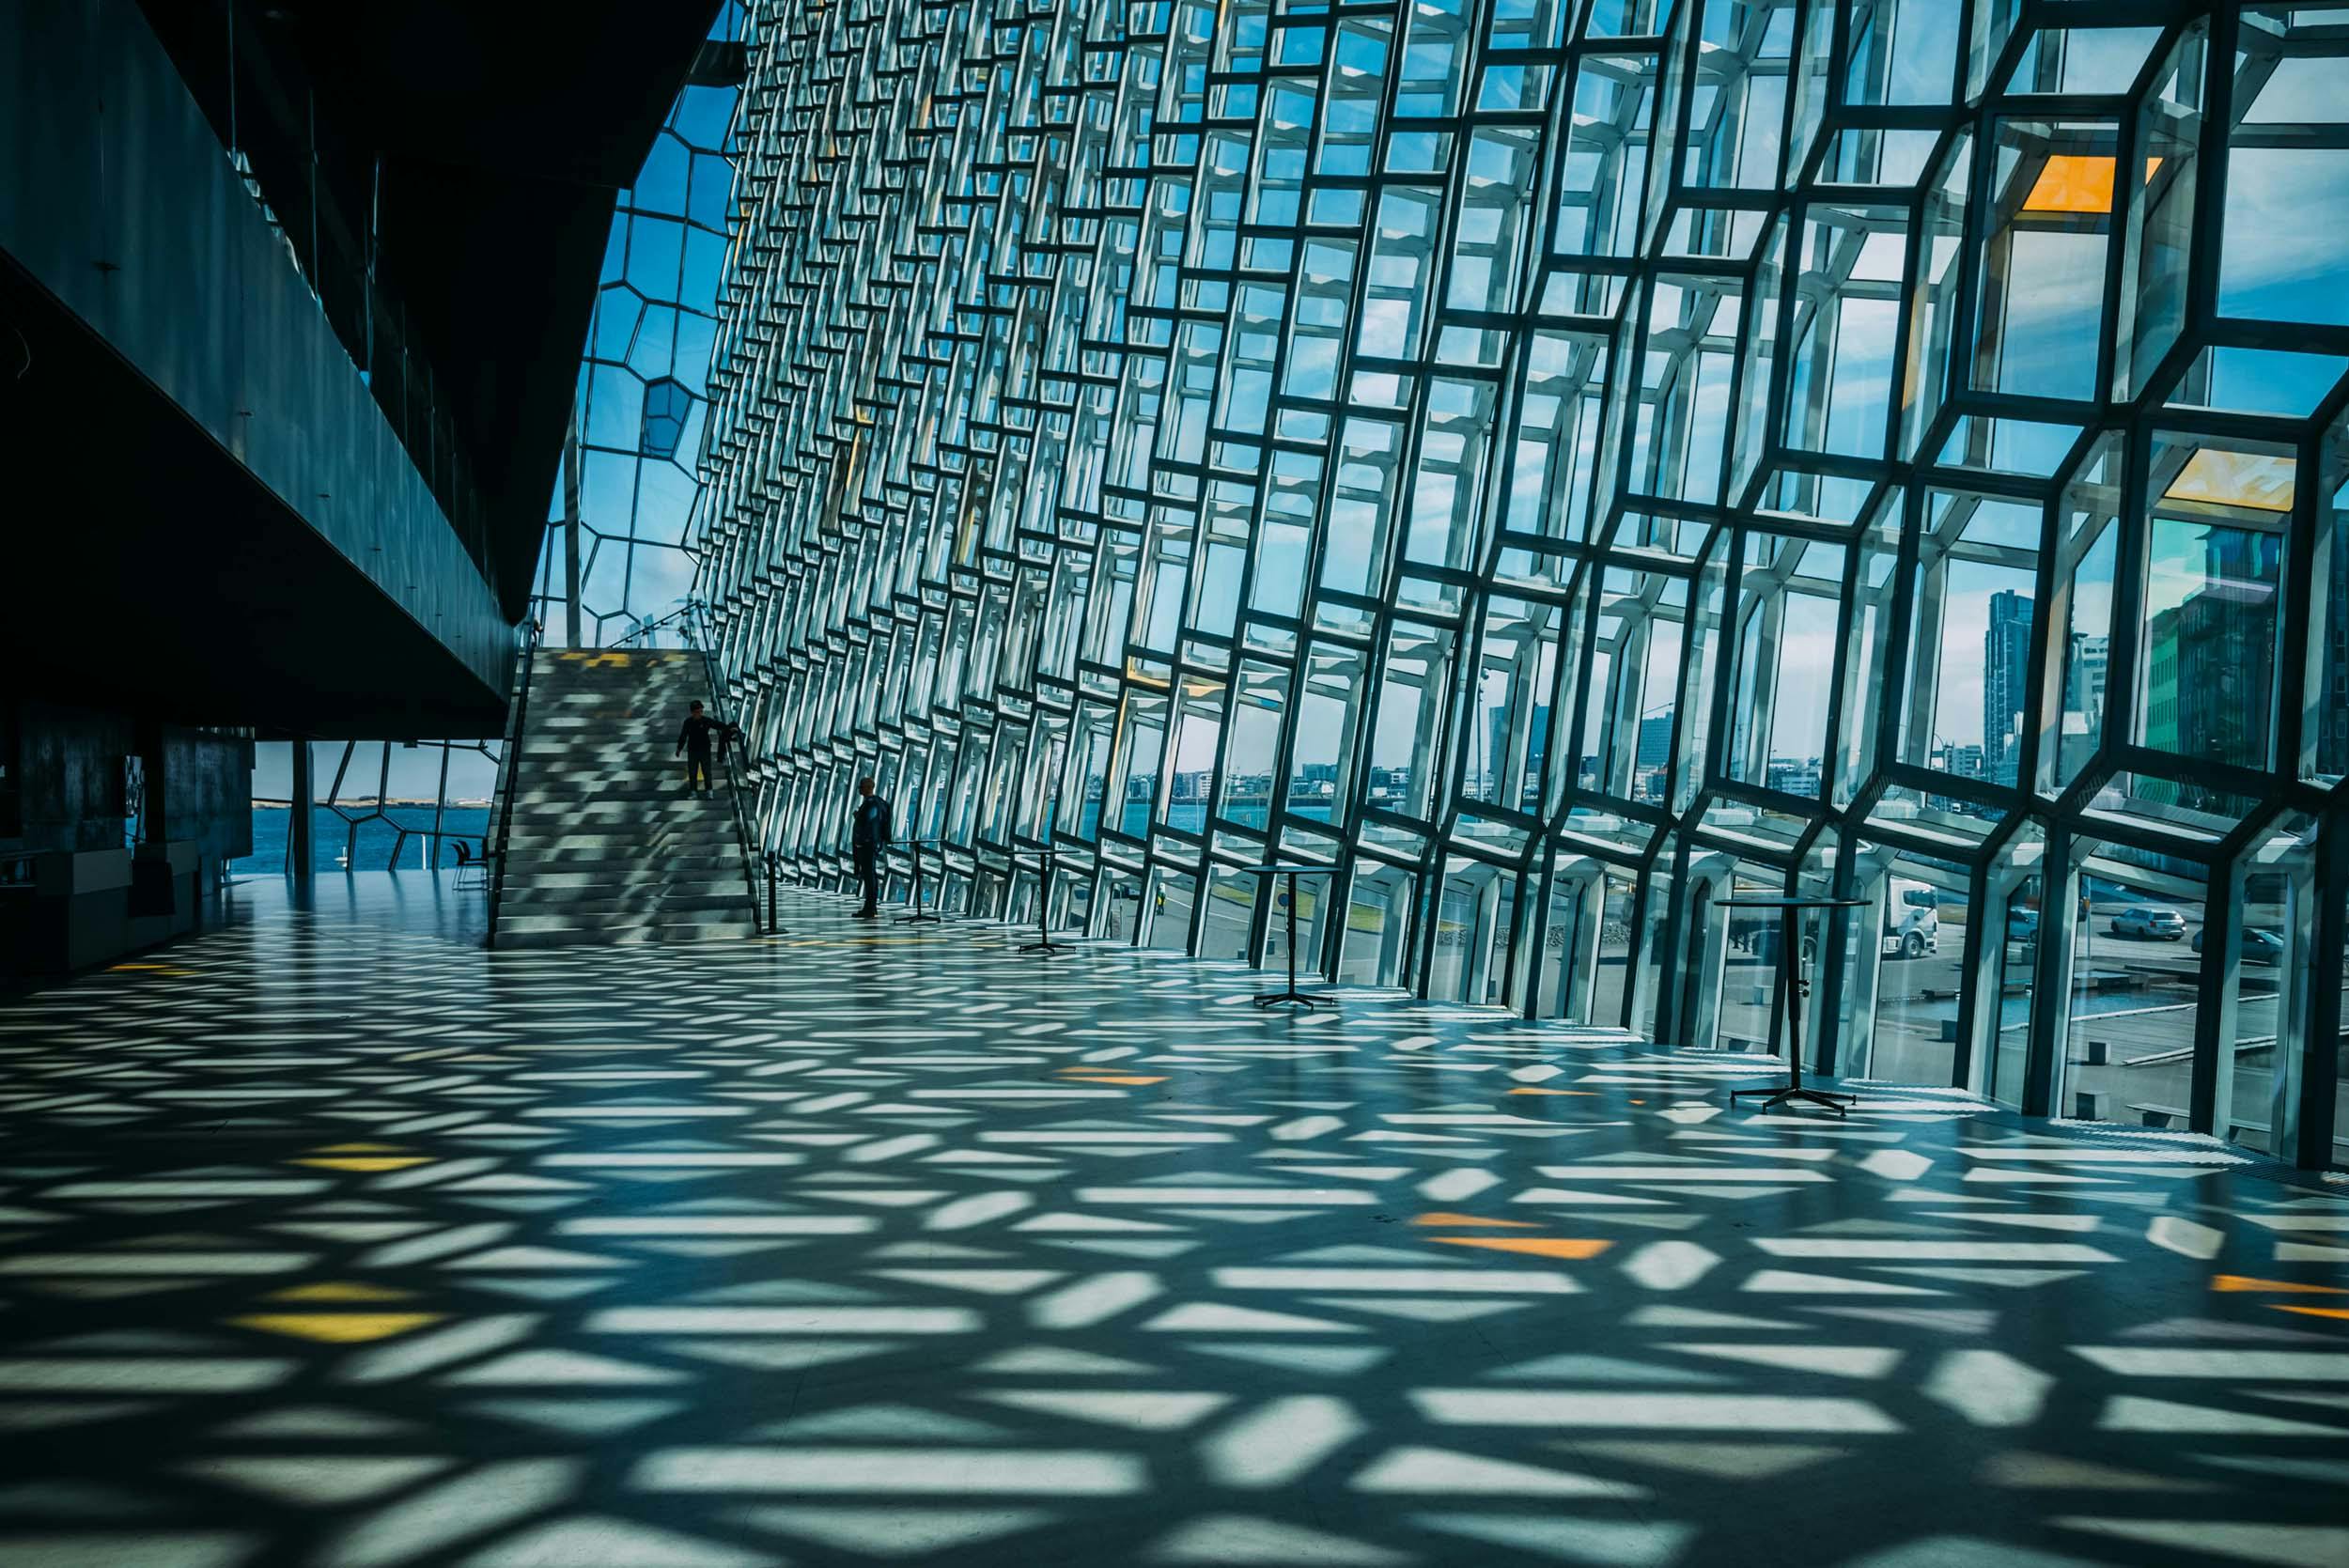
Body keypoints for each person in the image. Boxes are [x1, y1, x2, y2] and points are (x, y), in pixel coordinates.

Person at [850, 776, 892, 918]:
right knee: (870, 875)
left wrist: (863, 841)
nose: (859, 789)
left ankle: (870, 908)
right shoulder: (880, 803)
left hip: (868, 845)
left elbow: (871, 824)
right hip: (872, 844)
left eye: (861, 787)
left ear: (868, 787)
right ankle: (871, 907)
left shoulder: (871, 804)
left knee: (869, 876)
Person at [676, 701, 720, 796]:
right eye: (698, 712)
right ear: (692, 712)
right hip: (693, 750)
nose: (700, 714)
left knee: (706, 770)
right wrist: (679, 749)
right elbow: (683, 736)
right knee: (692, 771)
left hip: (705, 749)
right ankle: (693, 790)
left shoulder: (705, 720)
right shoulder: (688, 722)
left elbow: (717, 725)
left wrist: (729, 728)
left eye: (701, 711)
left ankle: (709, 790)